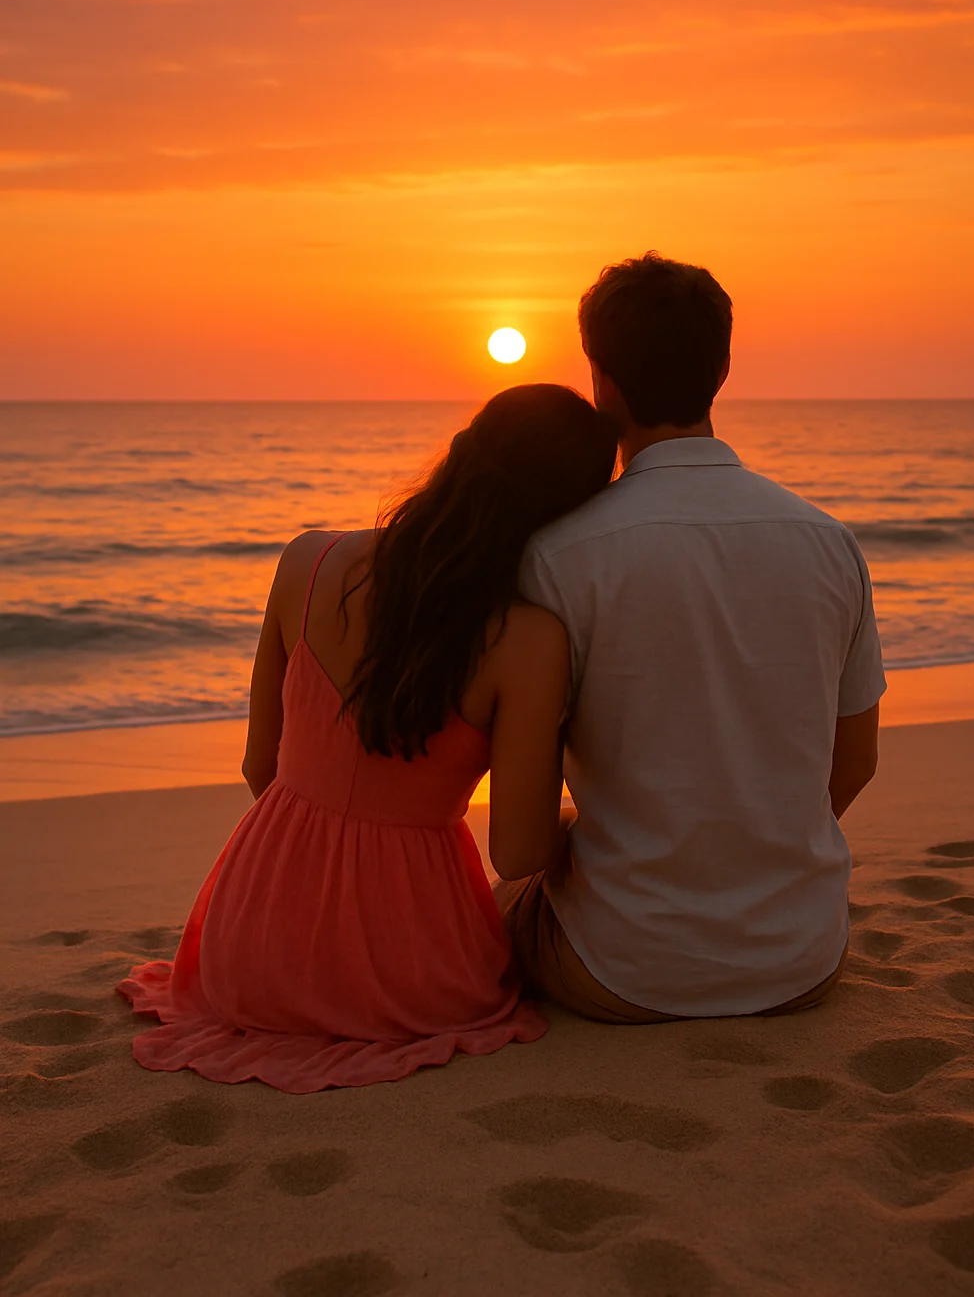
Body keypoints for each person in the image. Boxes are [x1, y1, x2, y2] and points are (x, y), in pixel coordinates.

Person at [117, 385, 617, 1090]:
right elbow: (518, 854)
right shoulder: (527, 640)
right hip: (412, 977)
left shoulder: (307, 562)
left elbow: (260, 766)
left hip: (246, 953)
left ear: (461, 452)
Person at [497, 253, 887, 1022]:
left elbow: (524, 845)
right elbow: (855, 762)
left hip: (622, 971)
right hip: (800, 960)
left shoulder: (558, 556)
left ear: (602, 381)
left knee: (504, 895)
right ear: (723, 368)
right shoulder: (827, 541)